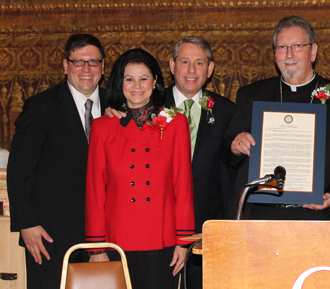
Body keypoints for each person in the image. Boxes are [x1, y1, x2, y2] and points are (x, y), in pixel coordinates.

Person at [107, 37, 236, 289]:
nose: (191, 70)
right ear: (171, 66)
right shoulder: (143, 100)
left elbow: (229, 172)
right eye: (184, 61)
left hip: (206, 231)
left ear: (209, 70)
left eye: (199, 63)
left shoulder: (226, 110)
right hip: (155, 230)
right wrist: (110, 109)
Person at [222, 15, 330, 220]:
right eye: (282, 47)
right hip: (261, 217)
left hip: (321, 218)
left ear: (313, 52)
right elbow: (226, 151)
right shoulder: (251, 96)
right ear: (275, 54)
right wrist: (234, 146)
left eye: (297, 46)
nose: (289, 54)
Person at [85, 48, 195, 289]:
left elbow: (183, 185)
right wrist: (96, 247)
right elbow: (95, 190)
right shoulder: (103, 127)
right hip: (118, 239)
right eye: (129, 79)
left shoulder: (175, 123)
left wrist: (183, 241)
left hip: (162, 238)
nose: (137, 85)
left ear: (155, 81)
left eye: (143, 78)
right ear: (120, 83)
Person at [7, 34, 106, 289]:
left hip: (106, 236)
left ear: (103, 67)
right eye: (78, 62)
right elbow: (20, 170)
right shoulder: (41, 107)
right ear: (65, 66)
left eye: (93, 62)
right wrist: (26, 224)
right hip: (50, 237)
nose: (86, 70)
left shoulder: (117, 105)